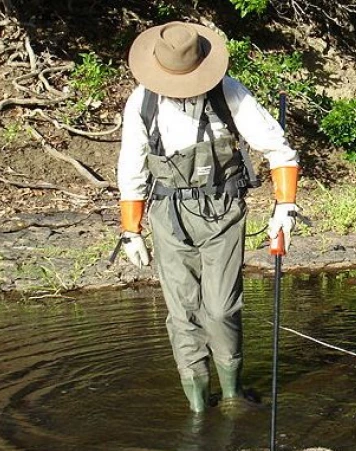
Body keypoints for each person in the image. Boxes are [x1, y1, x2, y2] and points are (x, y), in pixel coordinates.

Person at [115, 21, 299, 413]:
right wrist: (131, 231)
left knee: (219, 309)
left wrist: (285, 207)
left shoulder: (227, 91)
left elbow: (278, 149)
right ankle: (198, 407)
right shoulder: (142, 102)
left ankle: (231, 395)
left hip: (223, 211)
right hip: (167, 215)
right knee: (182, 312)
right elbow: (131, 167)